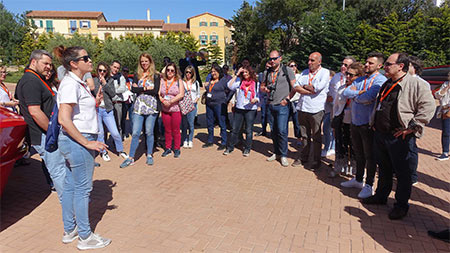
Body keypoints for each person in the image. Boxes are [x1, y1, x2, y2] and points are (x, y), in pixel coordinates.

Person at [363, 52, 435, 220]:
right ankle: (381, 196)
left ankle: (401, 205)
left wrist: (412, 127)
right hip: (381, 133)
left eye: (388, 64)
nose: (385, 67)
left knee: (403, 173)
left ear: (400, 66)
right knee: (384, 169)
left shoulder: (416, 84)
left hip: (400, 136)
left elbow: (428, 107)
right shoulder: (388, 83)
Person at [56, 46, 111, 250]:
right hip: (78, 141)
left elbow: (78, 114)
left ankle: (70, 230)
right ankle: (85, 237)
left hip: (75, 140)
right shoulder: (71, 84)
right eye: (86, 58)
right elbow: (64, 118)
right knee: (83, 189)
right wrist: (87, 142)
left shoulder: (76, 83)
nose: (90, 61)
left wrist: (94, 103)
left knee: (71, 186)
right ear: (73, 63)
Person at [15, 50, 67, 196]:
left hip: (46, 134)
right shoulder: (30, 81)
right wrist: (52, 133)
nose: (49, 67)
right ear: (33, 62)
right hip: (43, 135)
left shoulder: (37, 79)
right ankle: (72, 206)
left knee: (60, 168)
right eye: (45, 63)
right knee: (58, 170)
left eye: (50, 64)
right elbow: (35, 112)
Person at [340, 52, 387, 199]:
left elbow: (370, 97)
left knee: (370, 156)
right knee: (358, 153)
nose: (366, 65)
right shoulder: (360, 79)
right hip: (355, 122)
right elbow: (346, 92)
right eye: (366, 62)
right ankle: (358, 179)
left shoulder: (380, 80)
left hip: (368, 124)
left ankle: (369, 185)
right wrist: (360, 93)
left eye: (370, 63)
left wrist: (358, 95)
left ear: (379, 66)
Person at [291, 52, 330, 171]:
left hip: (316, 109)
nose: (309, 63)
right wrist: (309, 89)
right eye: (309, 60)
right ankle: (304, 157)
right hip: (302, 108)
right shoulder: (304, 72)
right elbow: (296, 87)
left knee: (316, 136)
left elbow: (317, 88)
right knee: (304, 135)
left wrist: (306, 87)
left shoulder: (325, 72)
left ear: (319, 62)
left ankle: (316, 160)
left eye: (312, 60)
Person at [120, 53, 161, 168]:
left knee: (149, 132)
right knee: (136, 132)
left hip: (151, 107)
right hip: (138, 107)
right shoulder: (138, 75)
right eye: (142, 61)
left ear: (150, 62)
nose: (144, 63)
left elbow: (155, 90)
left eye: (146, 61)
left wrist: (141, 90)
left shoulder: (156, 75)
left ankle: (149, 155)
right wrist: (145, 88)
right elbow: (133, 89)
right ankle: (131, 157)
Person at [261, 50, 296, 167]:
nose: (272, 61)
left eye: (274, 58)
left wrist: (287, 99)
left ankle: (284, 154)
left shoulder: (287, 70)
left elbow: (294, 87)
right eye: (270, 59)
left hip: (282, 106)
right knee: (274, 131)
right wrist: (264, 89)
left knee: (282, 131)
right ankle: (276, 152)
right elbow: (262, 85)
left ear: (280, 58)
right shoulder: (267, 72)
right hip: (270, 104)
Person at [330, 62, 364, 177]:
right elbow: (335, 106)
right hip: (341, 120)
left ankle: (356, 171)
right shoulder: (341, 88)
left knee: (355, 147)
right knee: (340, 145)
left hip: (355, 121)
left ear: (359, 76)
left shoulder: (362, 89)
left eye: (351, 75)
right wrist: (334, 121)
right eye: (347, 74)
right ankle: (339, 167)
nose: (348, 77)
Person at [93, 62, 128, 161]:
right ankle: (103, 152)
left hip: (107, 109)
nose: (102, 72)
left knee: (115, 132)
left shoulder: (110, 80)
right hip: (97, 110)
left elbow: (112, 94)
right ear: (97, 71)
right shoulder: (94, 81)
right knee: (100, 133)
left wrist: (105, 83)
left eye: (104, 70)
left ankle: (120, 150)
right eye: (100, 70)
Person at [223, 65, 260, 156]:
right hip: (239, 109)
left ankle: (247, 148)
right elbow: (229, 85)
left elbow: (259, 96)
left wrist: (256, 100)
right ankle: (230, 147)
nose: (245, 74)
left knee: (248, 130)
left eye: (246, 72)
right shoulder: (240, 82)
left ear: (250, 73)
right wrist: (236, 74)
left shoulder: (255, 83)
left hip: (250, 109)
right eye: (243, 73)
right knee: (235, 129)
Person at [323, 57, 356, 157]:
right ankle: (330, 148)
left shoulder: (356, 80)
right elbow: (331, 90)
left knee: (349, 139)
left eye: (346, 65)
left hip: (351, 113)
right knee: (328, 128)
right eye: (342, 64)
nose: (342, 67)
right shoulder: (337, 76)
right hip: (335, 108)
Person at [159, 62, 185, 158]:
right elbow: (158, 93)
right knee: (167, 130)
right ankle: (168, 148)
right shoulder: (162, 80)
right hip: (165, 109)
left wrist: (170, 101)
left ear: (175, 72)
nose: (169, 72)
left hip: (175, 109)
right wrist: (162, 100)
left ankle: (177, 148)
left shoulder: (178, 81)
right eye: (168, 70)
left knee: (176, 130)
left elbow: (181, 94)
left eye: (172, 70)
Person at [203, 64, 228, 150]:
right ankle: (210, 140)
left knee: (221, 123)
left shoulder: (223, 80)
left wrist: (227, 99)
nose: (213, 73)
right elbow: (207, 88)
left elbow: (231, 89)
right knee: (210, 122)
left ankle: (224, 142)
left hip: (219, 104)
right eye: (212, 71)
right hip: (209, 104)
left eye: (215, 71)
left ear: (219, 72)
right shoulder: (210, 80)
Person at [181, 65, 200, 148]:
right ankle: (185, 139)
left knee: (191, 124)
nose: (188, 74)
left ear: (193, 73)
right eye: (187, 72)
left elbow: (198, 94)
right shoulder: (182, 82)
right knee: (184, 124)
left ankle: (190, 140)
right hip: (184, 104)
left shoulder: (196, 83)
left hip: (192, 104)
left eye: (190, 72)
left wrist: (195, 101)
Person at [434, 72, 450, 161]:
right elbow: (437, 95)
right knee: (446, 132)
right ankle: (445, 152)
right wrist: (446, 88)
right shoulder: (445, 84)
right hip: (445, 110)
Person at [110, 60, 127, 139]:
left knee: (118, 124)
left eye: (117, 68)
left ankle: (118, 143)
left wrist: (111, 90)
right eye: (114, 67)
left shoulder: (121, 77)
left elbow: (122, 89)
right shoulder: (106, 76)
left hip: (118, 103)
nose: (116, 69)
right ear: (111, 66)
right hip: (107, 103)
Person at [286, 60, 302, 145]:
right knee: (285, 121)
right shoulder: (285, 76)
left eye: (294, 65)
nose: (293, 67)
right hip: (287, 101)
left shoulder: (299, 76)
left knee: (297, 122)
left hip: (296, 102)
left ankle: (299, 138)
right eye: (291, 66)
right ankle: (284, 138)